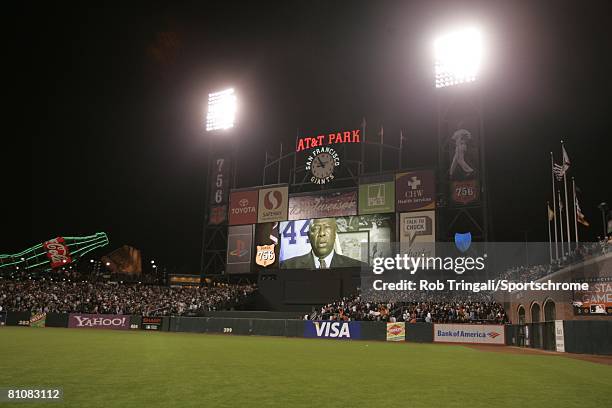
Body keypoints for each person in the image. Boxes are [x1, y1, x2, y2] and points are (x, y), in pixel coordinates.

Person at [280, 218, 364, 269]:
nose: (321, 233)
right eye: (316, 228)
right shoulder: (288, 266)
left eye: (327, 227)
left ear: (335, 234)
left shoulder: (358, 267)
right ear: (309, 235)